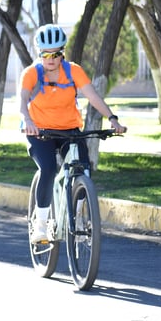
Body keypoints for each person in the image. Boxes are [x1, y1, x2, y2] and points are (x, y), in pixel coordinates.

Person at [19, 23, 127, 243]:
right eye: (45, 54)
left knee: (83, 168)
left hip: (69, 130)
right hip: (39, 131)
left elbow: (93, 96)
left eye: (56, 53)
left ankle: (78, 219)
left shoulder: (73, 71)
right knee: (48, 169)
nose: (50, 58)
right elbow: (22, 101)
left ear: (63, 53)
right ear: (39, 53)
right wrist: (28, 120)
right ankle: (40, 225)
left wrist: (112, 118)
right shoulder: (31, 74)